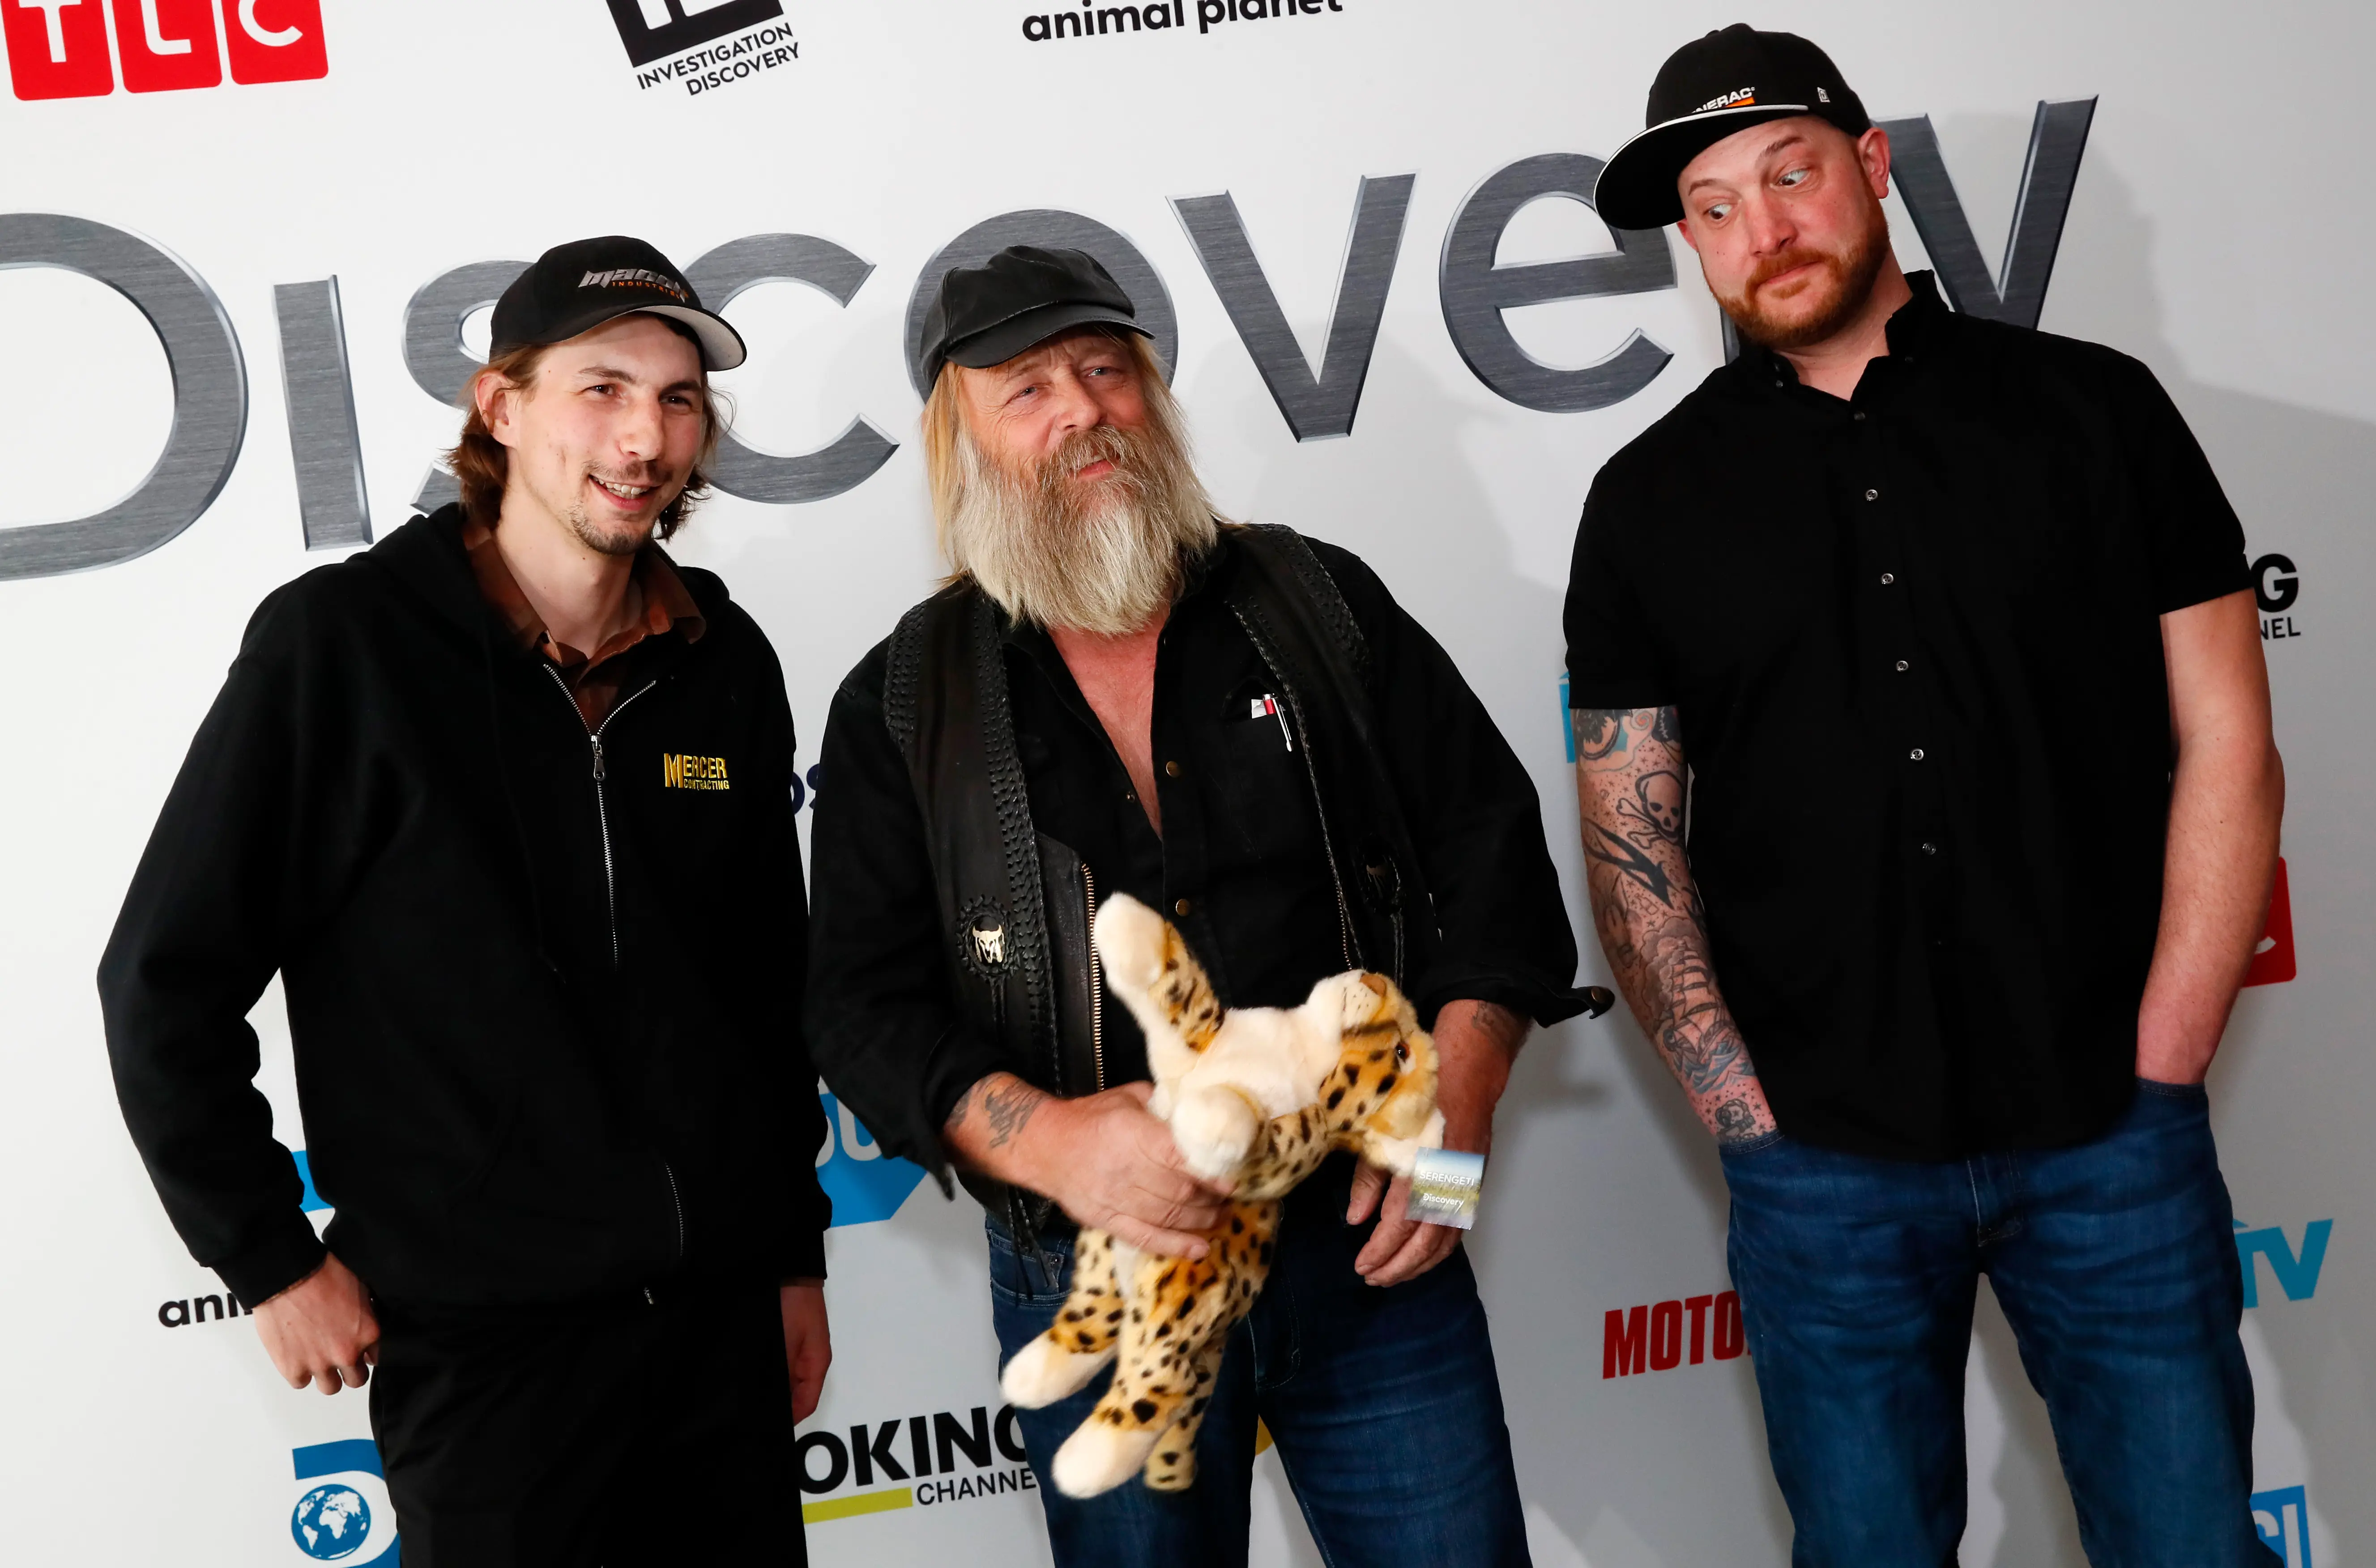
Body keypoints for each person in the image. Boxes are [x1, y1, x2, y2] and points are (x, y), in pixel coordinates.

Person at [1566, 25, 2284, 1567]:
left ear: (1870, 167)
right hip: (1819, 1171)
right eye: (1712, 204)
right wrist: (1737, 1113)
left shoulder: (2096, 412)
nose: (1760, 228)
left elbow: (2228, 737)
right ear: (1686, 240)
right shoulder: (1643, 504)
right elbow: (1629, 832)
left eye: (1790, 172)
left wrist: (2163, 1062)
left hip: (2110, 1131)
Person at [807, 244, 1584, 1566]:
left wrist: (1454, 1115)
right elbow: (858, 1003)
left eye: (1104, 370)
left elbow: (1493, 857)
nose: (1081, 410)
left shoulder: (1317, 601)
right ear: (961, 442)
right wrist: (1047, 1141)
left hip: (1371, 1250)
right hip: (1095, 1275)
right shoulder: (902, 700)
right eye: (1027, 387)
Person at [99, 236, 832, 1566]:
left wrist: (790, 1256)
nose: (644, 436)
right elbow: (164, 979)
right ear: (502, 408)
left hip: (717, 1332)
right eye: (600, 389)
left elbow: (762, 993)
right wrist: (267, 1254)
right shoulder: (346, 646)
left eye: (676, 399)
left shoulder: (724, 660)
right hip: (489, 1356)